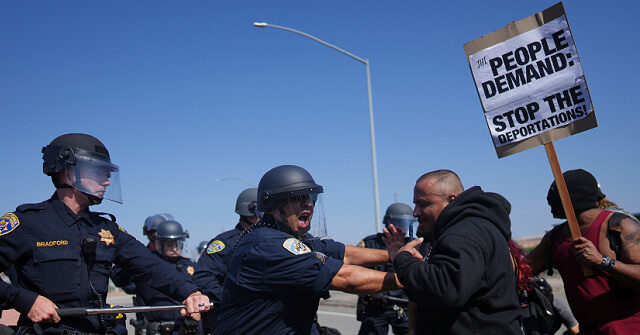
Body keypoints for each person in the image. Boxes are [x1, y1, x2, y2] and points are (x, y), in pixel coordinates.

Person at [0, 133, 210, 335]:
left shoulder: (107, 230)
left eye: (108, 174)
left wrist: (190, 292)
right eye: (98, 172)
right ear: (68, 172)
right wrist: (25, 300)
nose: (107, 181)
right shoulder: (27, 223)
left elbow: (151, 268)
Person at [213, 165, 405, 334]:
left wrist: (395, 255)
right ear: (272, 206)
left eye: (311, 197)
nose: (308, 204)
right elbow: (346, 278)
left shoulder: (293, 239)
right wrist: (411, 277)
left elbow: (346, 254)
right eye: (297, 198)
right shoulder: (268, 246)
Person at [384, 169, 521, 334]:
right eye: (415, 204)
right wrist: (404, 263)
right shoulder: (461, 231)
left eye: (424, 204)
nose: (415, 212)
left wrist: (404, 261)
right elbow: (432, 295)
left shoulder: (464, 233)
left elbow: (446, 290)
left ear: (451, 200)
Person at [526, 169, 640, 334]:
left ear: (570, 198)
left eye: (554, 195)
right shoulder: (554, 238)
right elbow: (522, 270)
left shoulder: (621, 226)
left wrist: (603, 261)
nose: (548, 203)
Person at [192, 188, 261, 333]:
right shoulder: (225, 244)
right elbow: (203, 277)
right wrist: (234, 299)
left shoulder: (271, 240)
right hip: (233, 322)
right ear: (250, 213)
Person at [130, 220, 199, 335]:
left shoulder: (190, 265)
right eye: (169, 244)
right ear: (158, 243)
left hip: (185, 328)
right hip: (156, 329)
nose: (174, 248)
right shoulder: (147, 265)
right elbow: (122, 280)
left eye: (178, 243)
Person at [356, 203, 415, 335]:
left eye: (406, 224)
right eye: (399, 223)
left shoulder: (413, 245)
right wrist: (371, 291)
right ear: (388, 222)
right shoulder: (371, 243)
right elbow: (356, 271)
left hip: (403, 305)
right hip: (376, 305)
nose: (403, 228)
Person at [111, 213, 174, 294]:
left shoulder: (172, 257)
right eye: (157, 233)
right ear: (149, 235)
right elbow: (120, 280)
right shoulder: (139, 257)